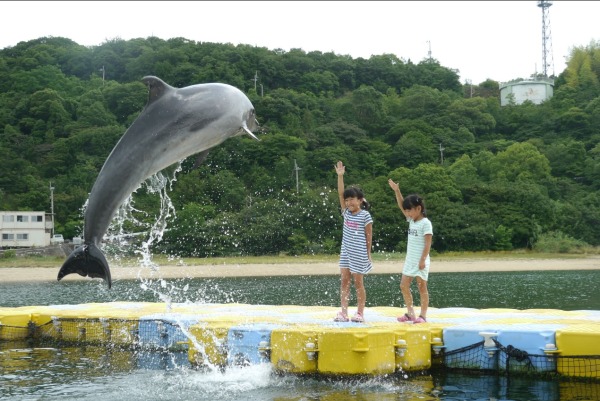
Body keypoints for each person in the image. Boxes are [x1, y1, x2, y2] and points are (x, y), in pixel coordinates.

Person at [388, 178, 433, 324]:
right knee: (403, 285)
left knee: (421, 286)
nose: (407, 213)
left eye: (410, 210)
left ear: (418, 208)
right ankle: (410, 313)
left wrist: (422, 260)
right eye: (406, 211)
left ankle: (423, 316)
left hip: (421, 260)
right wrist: (397, 190)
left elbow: (428, 243)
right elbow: (401, 205)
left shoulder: (425, 223)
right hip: (410, 259)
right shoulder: (411, 220)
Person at [333, 161, 373, 323]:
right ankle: (343, 312)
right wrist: (340, 176)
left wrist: (368, 254)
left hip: (359, 253)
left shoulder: (365, 216)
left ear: (360, 200)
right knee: (344, 281)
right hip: (346, 252)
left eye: (352, 200)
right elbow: (340, 192)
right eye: (347, 200)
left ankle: (360, 313)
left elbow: (369, 237)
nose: (349, 203)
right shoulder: (346, 213)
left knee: (358, 282)